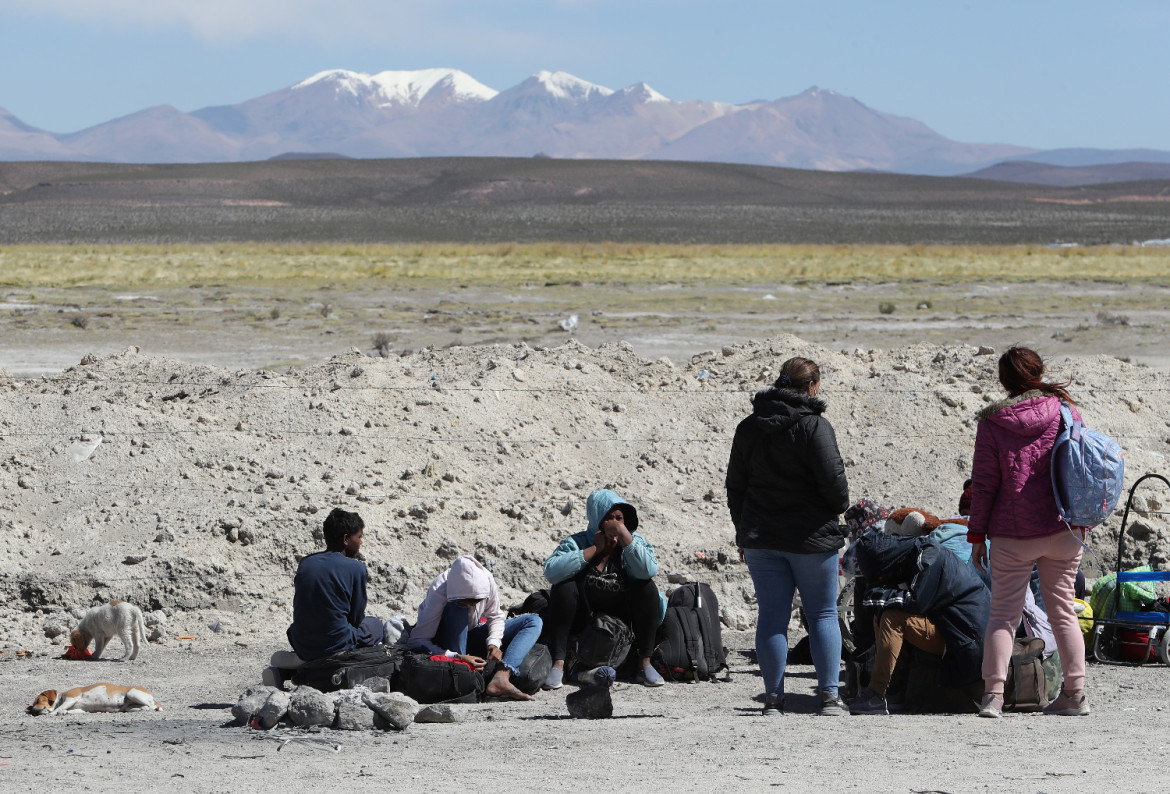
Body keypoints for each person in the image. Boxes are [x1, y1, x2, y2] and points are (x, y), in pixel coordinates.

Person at [726, 356, 851, 716]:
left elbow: (736, 486)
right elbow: (837, 492)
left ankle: (773, 700)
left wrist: (742, 532)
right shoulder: (816, 427)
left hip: (761, 538)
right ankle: (829, 697)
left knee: (771, 617)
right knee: (824, 614)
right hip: (812, 539)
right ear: (812, 386)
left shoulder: (748, 427)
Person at [969, 346, 1090, 718]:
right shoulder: (1067, 411)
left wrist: (976, 536)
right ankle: (1074, 695)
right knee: (1063, 614)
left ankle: (993, 696)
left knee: (1003, 615)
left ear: (1005, 381)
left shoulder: (993, 422)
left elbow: (985, 486)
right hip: (1063, 527)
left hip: (1012, 531)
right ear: (1038, 373)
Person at [848, 530, 990, 715]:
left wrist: (877, 595)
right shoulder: (915, 553)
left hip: (966, 640)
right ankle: (895, 691)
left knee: (892, 618)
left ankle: (876, 694)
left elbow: (915, 602)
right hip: (953, 628)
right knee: (883, 613)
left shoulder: (929, 558)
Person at [541, 489, 667, 688]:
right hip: (585, 618)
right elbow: (551, 572)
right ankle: (558, 664)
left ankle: (645, 664)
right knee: (563, 587)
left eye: (620, 519)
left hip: (623, 618)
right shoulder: (578, 542)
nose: (615, 524)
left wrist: (626, 538)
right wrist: (594, 550)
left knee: (647, 588)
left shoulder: (635, 542)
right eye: (609, 518)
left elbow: (648, 570)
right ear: (597, 520)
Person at [409, 555, 541, 700]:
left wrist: (493, 643)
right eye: (468, 601)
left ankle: (501, 678)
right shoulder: (439, 590)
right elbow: (417, 640)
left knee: (532, 621)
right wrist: (457, 656)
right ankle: (462, 670)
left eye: (477, 601)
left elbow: (495, 616)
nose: (473, 605)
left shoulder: (486, 579)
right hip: (446, 643)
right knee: (457, 610)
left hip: (472, 634)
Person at [286, 507, 384, 662]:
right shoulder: (356, 568)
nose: (361, 542)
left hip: (301, 643)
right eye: (359, 537)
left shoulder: (305, 563)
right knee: (375, 624)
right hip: (336, 643)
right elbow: (356, 618)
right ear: (346, 539)